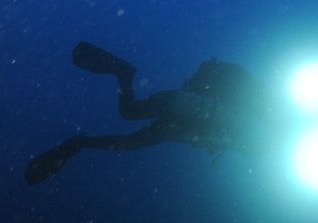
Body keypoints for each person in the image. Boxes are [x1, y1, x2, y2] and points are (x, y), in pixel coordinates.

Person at [25, 42, 277, 185]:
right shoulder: (244, 114)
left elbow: (244, 144)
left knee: (131, 140)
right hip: (177, 108)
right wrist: (270, 141)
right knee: (128, 119)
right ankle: (123, 74)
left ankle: (80, 142)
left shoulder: (241, 111)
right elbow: (249, 146)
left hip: (176, 115)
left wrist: (264, 141)